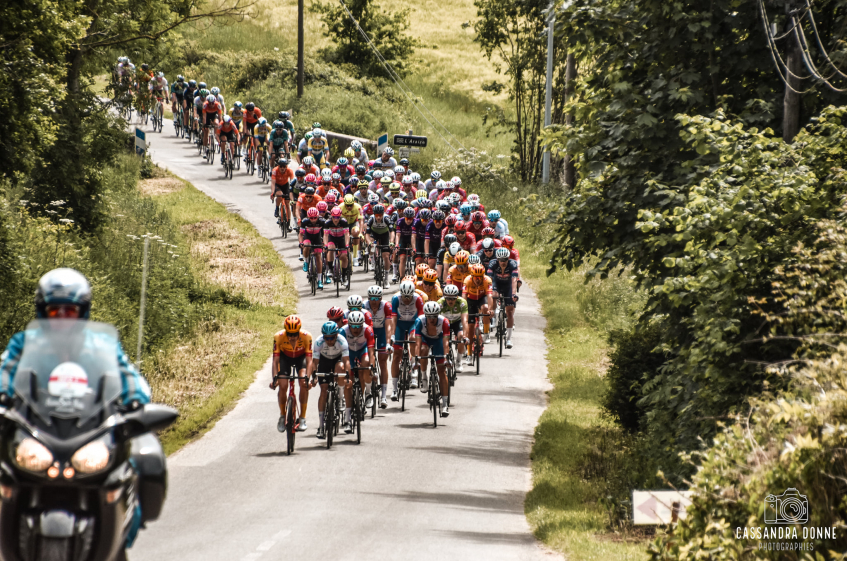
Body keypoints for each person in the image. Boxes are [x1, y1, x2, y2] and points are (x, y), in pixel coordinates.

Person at [0, 269, 153, 548]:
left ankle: (122, 536)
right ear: (42, 312)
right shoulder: (24, 344)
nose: (62, 319)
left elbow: (126, 373)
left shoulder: (102, 345)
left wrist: (135, 399)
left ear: (82, 312)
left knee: (133, 466)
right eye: (54, 312)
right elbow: (5, 371)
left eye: (69, 311)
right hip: (36, 429)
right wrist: (2, 394)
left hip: (89, 428)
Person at [271, 315, 313, 432]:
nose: (292, 337)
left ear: (299, 331)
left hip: (301, 358)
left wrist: (307, 378)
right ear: (286, 331)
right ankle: (282, 415)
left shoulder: (307, 336)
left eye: (295, 334)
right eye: (289, 334)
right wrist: (275, 378)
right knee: (283, 385)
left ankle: (302, 418)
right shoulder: (278, 337)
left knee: (303, 383)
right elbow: (275, 361)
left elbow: (309, 361)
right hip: (285, 358)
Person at [311, 322, 352, 439]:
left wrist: (347, 377)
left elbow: (347, 361)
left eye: (332, 337)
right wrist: (313, 377)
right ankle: (321, 426)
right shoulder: (319, 342)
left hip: (337, 359)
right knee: (323, 391)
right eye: (326, 338)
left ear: (336, 335)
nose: (329, 340)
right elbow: (315, 363)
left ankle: (340, 397)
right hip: (324, 360)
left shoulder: (342, 341)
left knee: (340, 368)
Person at [413, 301, 451, 416]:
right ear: (425, 315)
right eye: (429, 316)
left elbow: (445, 343)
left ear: (438, 315)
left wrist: (446, 358)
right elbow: (418, 344)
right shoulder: (420, 321)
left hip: (438, 340)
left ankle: (445, 405)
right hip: (425, 339)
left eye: (434, 316)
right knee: (423, 350)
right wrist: (416, 360)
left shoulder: (444, 321)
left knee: (442, 372)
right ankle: (424, 378)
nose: (432, 319)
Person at [388, 280, 425, 398]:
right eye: (405, 297)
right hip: (399, 324)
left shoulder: (418, 299)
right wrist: (392, 335)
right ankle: (394, 388)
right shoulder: (395, 298)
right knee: (396, 356)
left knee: (413, 337)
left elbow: (420, 320)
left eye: (409, 297)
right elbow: (393, 318)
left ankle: (414, 366)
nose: (407, 299)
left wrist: (420, 337)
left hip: (413, 323)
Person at [341, 311, 376, 416]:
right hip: (349, 352)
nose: (356, 329)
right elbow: (340, 352)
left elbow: (371, 353)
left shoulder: (368, 330)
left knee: (366, 364)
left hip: (362, 350)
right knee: (348, 378)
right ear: (349, 325)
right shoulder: (343, 331)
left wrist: (372, 367)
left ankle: (368, 392)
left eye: (358, 326)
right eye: (353, 326)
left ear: (362, 325)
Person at [365, 285, 393, 407]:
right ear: (368, 298)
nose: (374, 301)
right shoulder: (363, 306)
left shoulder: (386, 306)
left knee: (383, 361)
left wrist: (388, 343)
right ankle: (369, 393)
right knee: (367, 362)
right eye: (372, 298)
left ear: (381, 298)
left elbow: (388, 326)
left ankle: (383, 396)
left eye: (377, 298)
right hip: (368, 331)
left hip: (381, 331)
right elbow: (363, 328)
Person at [487, 247, 520, 348]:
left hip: (508, 285)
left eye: (505, 259)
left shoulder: (513, 264)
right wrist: (490, 292)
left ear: (508, 259)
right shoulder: (492, 263)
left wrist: (513, 294)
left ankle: (509, 339)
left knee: (509, 312)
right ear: (497, 259)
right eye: (501, 260)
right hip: (496, 283)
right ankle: (488, 327)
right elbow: (489, 280)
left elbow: (514, 280)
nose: (503, 262)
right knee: (493, 298)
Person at [463, 263, 493, 356]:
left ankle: (486, 332)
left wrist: (490, 310)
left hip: (481, 298)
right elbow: (463, 297)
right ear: (472, 276)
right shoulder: (467, 280)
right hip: (470, 300)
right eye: (476, 278)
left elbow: (489, 296)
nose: (478, 280)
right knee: (470, 328)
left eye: (480, 277)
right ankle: (469, 353)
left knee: (485, 308)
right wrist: (463, 311)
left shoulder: (487, 280)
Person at [438, 284, 469, 372]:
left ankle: (458, 361)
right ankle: (445, 359)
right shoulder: (440, 303)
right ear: (445, 298)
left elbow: (465, 320)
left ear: (457, 297)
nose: (450, 301)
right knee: (444, 340)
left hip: (457, 322)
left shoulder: (462, 302)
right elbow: (436, 320)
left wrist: (465, 336)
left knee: (461, 336)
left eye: (453, 298)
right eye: (448, 298)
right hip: (445, 322)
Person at [323, 207, 351, 285]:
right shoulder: (327, 222)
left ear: (340, 216)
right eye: (334, 217)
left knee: (344, 256)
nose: (336, 219)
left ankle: (344, 276)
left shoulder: (344, 222)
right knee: (330, 248)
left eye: (338, 217)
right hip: (332, 238)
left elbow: (346, 234)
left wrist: (347, 245)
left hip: (341, 238)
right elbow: (325, 235)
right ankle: (330, 269)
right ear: (331, 216)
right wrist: (325, 245)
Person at [299, 207, 325, 290]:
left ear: (318, 216)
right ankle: (306, 262)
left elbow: (325, 234)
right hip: (308, 236)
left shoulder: (322, 221)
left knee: (318, 256)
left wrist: (324, 243)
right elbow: (301, 234)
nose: (313, 220)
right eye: (311, 218)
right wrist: (300, 243)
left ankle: (320, 280)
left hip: (317, 237)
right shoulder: (305, 221)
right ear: (308, 217)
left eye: (315, 218)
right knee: (307, 245)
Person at [271, 158, 295, 226]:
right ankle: (277, 208)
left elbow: (292, 182)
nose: (282, 168)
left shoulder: (289, 171)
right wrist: (272, 192)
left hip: (285, 185)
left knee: (287, 203)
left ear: (286, 166)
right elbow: (273, 183)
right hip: (277, 185)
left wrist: (292, 193)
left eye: (284, 166)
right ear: (278, 166)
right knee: (280, 194)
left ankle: (288, 222)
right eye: (280, 166)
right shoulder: (275, 170)